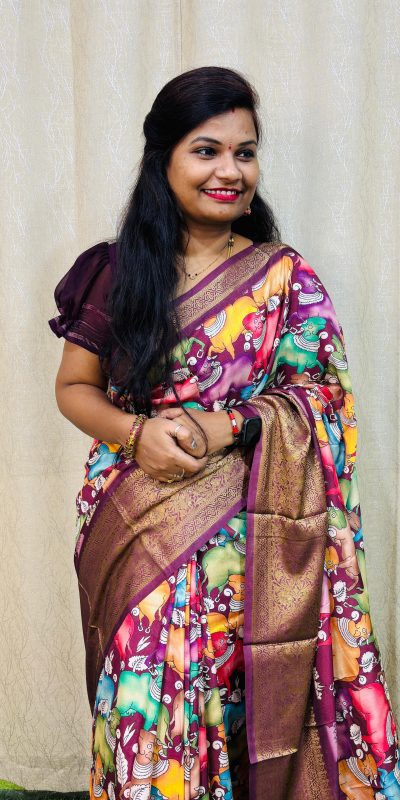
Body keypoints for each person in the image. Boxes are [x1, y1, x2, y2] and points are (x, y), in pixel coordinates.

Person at [48, 66, 399, 800]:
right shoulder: (115, 272)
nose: (229, 171)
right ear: (163, 160)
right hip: (138, 527)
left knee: (248, 707)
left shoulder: (284, 278)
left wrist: (229, 423)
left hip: (254, 542)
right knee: (147, 707)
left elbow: (323, 397)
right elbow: (74, 389)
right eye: (206, 151)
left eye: (245, 152)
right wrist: (136, 434)